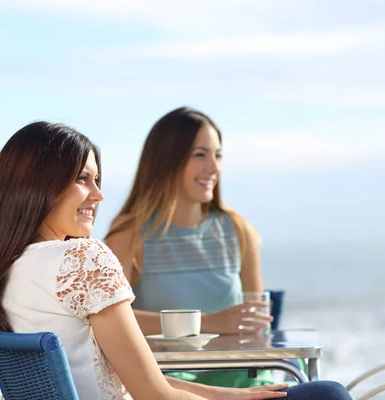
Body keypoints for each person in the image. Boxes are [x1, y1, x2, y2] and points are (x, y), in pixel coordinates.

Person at [0, 121, 352, 399]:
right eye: (82, 179)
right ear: (37, 187)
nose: (98, 196)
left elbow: (138, 377)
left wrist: (231, 397)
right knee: (327, 395)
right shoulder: (84, 259)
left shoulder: (8, 267)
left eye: (97, 180)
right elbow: (154, 395)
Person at [104, 106, 277, 388]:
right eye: (200, 155)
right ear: (167, 160)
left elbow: (256, 323)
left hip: (242, 378)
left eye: (218, 155)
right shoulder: (130, 234)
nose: (213, 167)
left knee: (326, 392)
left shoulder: (237, 229)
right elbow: (112, 322)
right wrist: (207, 322)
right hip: (172, 384)